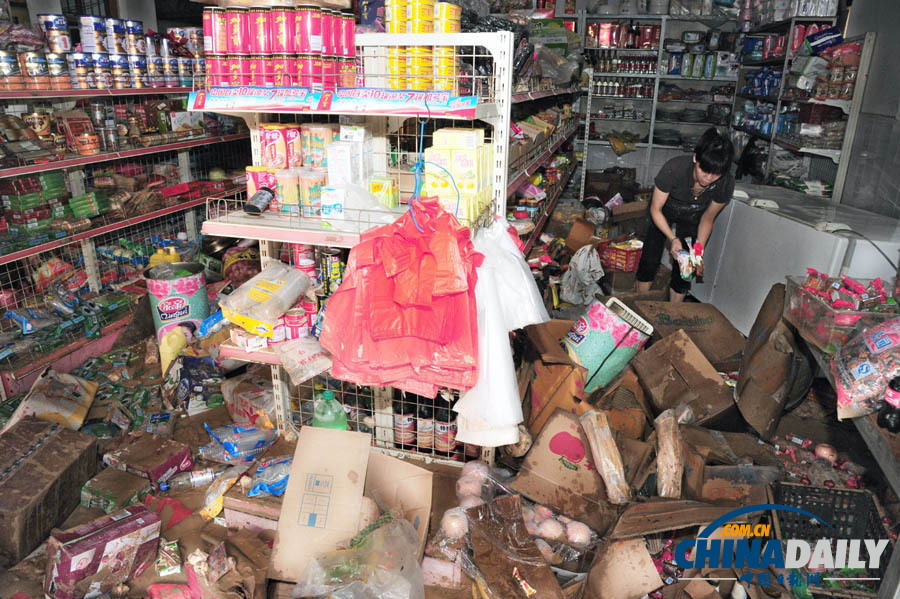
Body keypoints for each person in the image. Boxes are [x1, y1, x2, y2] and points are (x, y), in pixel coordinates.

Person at [635, 127, 735, 302]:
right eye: (705, 170)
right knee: (650, 257)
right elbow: (655, 209)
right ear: (696, 158)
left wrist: (698, 250)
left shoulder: (725, 183)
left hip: (693, 215)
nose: (708, 178)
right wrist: (672, 238)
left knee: (686, 267)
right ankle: (639, 306)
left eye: (716, 174)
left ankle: (675, 312)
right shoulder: (674, 169)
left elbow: (707, 218)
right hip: (663, 210)